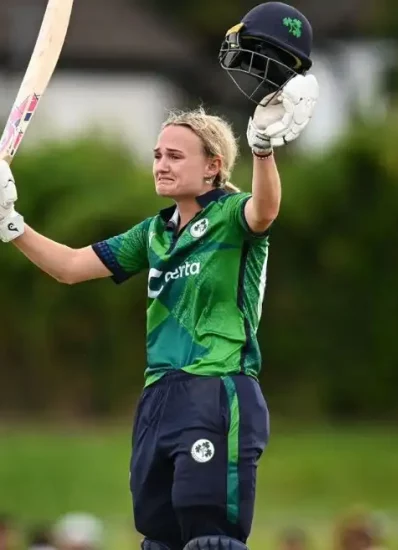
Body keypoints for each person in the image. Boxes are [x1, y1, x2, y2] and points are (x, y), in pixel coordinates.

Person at [0, 76, 317, 550]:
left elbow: (265, 210)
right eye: (157, 155)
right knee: (158, 538)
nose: (161, 165)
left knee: (210, 538)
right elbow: (68, 266)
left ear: (213, 167)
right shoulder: (152, 233)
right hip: (158, 398)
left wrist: (263, 150)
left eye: (175, 156)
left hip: (217, 388)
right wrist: (10, 223)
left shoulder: (232, 215)